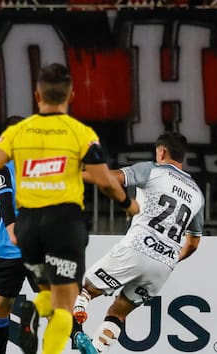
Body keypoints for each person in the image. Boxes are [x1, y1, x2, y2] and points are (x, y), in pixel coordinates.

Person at [0, 63, 138, 354]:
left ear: (37, 95)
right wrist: (128, 203)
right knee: (64, 302)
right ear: (72, 95)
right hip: (62, 227)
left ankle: (34, 311)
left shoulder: (19, 133)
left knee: (26, 298)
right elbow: (104, 181)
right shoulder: (79, 132)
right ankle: (38, 313)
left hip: (27, 231)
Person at [72, 132, 204, 353]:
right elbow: (193, 243)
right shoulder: (197, 194)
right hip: (164, 265)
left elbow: (111, 178)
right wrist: (171, 257)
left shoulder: (153, 170)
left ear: (161, 151)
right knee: (118, 313)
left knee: (85, 289)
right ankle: (96, 348)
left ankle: (79, 316)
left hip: (138, 247)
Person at [0, 116, 39, 354]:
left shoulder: (3, 170)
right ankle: (37, 317)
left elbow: (5, 202)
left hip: (9, 249)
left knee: (0, 307)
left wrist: (11, 230)